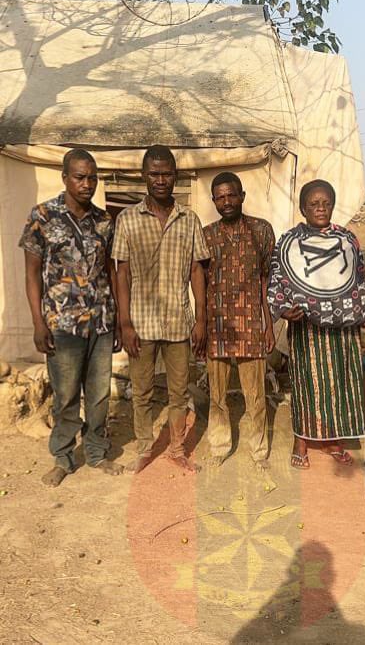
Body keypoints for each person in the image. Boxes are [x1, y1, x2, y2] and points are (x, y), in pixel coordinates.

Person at [19, 149, 123, 487]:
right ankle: (63, 457)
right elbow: (32, 274)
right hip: (61, 325)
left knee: (98, 394)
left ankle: (95, 451)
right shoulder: (43, 216)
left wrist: (119, 319)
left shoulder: (105, 221)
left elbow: (110, 269)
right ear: (65, 177)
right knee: (65, 395)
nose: (87, 183)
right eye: (80, 176)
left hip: (101, 322)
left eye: (92, 177)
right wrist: (38, 323)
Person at [113, 145, 210, 474]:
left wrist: (201, 318)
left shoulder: (189, 219)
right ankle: (143, 448)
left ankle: (177, 448)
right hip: (141, 322)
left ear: (175, 176)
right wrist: (124, 322)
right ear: (144, 176)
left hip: (179, 322)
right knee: (140, 391)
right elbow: (121, 272)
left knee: (179, 392)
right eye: (154, 173)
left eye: (167, 173)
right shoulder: (127, 219)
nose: (160, 180)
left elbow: (197, 270)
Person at [268, 180, 365, 469]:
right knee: (307, 383)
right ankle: (300, 441)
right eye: (314, 204)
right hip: (307, 327)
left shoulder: (347, 240)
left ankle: (333, 441)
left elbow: (359, 280)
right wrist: (283, 310)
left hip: (344, 328)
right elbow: (278, 281)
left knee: (341, 382)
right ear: (303, 208)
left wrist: (364, 310)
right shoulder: (288, 241)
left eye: (326, 203)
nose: (320, 208)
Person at [203, 172, 275, 470]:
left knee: (255, 395)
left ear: (242, 196)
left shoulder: (261, 230)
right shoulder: (206, 235)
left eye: (232, 195)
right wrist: (200, 325)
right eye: (220, 197)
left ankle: (258, 451)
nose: (227, 201)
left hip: (250, 324)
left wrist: (269, 325)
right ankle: (219, 445)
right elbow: (200, 281)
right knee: (217, 395)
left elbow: (266, 281)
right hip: (217, 326)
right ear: (214, 201)